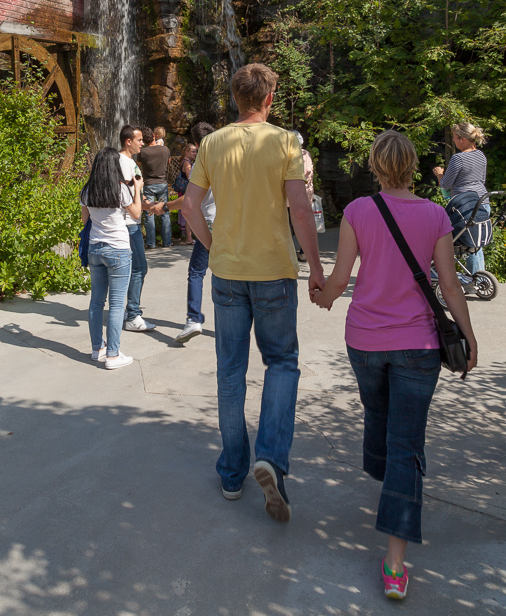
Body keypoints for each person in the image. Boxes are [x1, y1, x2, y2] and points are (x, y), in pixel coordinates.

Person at [313, 130, 478, 601]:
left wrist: (322, 297)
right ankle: (395, 565)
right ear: (412, 166)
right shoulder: (435, 215)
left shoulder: (358, 211)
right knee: (405, 441)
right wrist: (468, 335)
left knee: (379, 416)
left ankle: (388, 481)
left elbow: (340, 279)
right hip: (418, 346)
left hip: (364, 341)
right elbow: (449, 285)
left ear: (375, 165)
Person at [183, 63, 324, 521]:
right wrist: (315, 265)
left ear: (235, 98)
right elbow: (300, 208)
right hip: (273, 272)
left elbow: (189, 206)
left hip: (227, 272)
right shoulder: (284, 141)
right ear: (269, 99)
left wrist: (214, 246)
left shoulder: (212, 143)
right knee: (281, 363)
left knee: (230, 371)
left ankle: (231, 472)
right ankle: (271, 458)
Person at [152, 122, 216, 343]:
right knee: (229, 275)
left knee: (197, 272)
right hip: (231, 225)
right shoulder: (229, 161)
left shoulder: (201, 165)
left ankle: (193, 319)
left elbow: (189, 201)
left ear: (196, 143)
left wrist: (165, 206)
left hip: (208, 226)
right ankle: (233, 323)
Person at [80, 147, 142, 370]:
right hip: (118, 250)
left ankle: (97, 348)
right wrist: (137, 189)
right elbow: (136, 214)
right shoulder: (120, 188)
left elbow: (85, 220)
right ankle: (113, 355)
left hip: (95, 249)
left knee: (96, 301)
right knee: (116, 305)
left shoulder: (87, 190)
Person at [433, 122, 489, 275]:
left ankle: (474, 279)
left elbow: (445, 184)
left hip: (465, 206)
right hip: (483, 203)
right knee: (476, 244)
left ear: (463, 139)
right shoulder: (481, 155)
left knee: (468, 243)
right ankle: (480, 277)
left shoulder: (458, 158)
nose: (453, 140)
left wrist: (439, 175)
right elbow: (482, 180)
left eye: (455, 138)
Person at [119, 124, 155, 332]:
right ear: (128, 141)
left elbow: (135, 192)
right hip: (128, 224)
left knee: (135, 269)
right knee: (139, 268)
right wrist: (141, 206)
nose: (143, 143)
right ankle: (132, 315)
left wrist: (148, 204)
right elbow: (126, 196)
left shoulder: (130, 162)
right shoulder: (123, 163)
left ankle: (129, 311)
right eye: (139, 140)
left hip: (132, 222)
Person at [138, 126, 172, 249]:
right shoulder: (165, 149)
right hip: (162, 183)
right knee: (165, 212)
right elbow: (168, 162)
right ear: (154, 136)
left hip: (149, 184)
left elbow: (139, 165)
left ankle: (151, 243)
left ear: (143, 140)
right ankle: (167, 242)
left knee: (149, 212)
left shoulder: (143, 152)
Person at [290, 132, 314, 262]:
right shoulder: (305, 154)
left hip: (290, 196)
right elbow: (308, 172)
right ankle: (303, 253)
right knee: (302, 224)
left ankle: (289, 253)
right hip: (304, 194)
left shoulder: (287, 155)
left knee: (288, 225)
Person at [176, 142, 198, 244]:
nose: (195, 154)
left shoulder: (185, 161)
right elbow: (190, 177)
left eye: (196, 152)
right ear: (186, 152)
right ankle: (189, 238)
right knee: (189, 215)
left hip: (185, 191)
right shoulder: (187, 163)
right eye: (193, 152)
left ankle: (189, 237)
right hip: (187, 192)